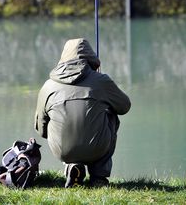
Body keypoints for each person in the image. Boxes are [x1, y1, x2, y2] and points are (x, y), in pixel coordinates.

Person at [34, 38, 131, 188]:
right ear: (90, 59)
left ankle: (72, 166)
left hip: (62, 150)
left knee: (56, 120)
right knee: (112, 115)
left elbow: (41, 129)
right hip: (97, 149)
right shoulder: (101, 81)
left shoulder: (48, 86)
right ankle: (99, 176)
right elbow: (124, 106)